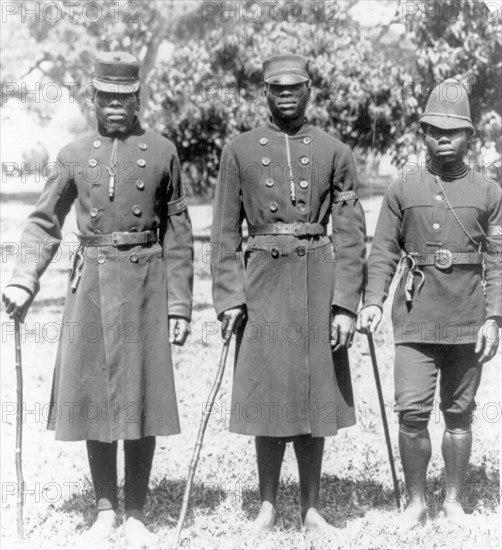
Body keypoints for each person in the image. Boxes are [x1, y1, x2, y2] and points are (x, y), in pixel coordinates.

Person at [2, 52, 194, 546]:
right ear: (93, 97)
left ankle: (136, 512)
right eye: (106, 97)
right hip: (90, 285)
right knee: (94, 399)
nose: (115, 106)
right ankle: (105, 509)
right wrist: (24, 277)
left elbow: (178, 232)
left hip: (146, 284)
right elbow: (44, 220)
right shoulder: (72, 154)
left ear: (137, 99)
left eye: (124, 98)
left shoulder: (162, 151)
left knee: (141, 396)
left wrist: (179, 303)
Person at [210, 54, 366, 535]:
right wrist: (229, 297)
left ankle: (312, 508)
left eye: (294, 87)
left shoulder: (335, 151)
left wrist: (345, 304)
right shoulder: (238, 150)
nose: (285, 95)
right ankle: (267, 505)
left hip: (317, 279)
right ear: (264, 93)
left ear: (309, 91)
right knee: (268, 393)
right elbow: (222, 232)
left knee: (315, 393)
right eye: (276, 88)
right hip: (263, 283)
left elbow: (353, 232)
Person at [357, 78, 501, 531]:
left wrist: (495, 317)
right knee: (412, 410)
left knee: (458, 413)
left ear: (469, 136)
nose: (443, 136)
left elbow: (498, 258)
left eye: (453, 130)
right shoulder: (403, 188)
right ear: (423, 132)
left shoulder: (488, 192)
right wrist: (374, 301)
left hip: (466, 318)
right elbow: (382, 250)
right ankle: (416, 502)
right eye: (434, 128)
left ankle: (453, 500)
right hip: (415, 316)